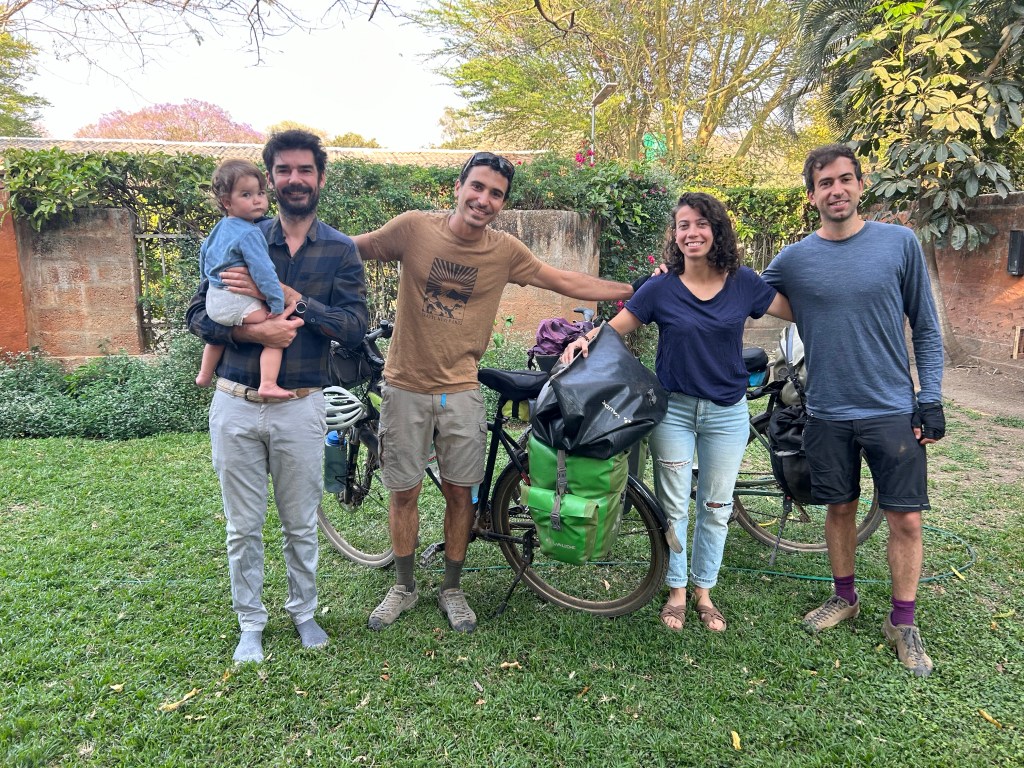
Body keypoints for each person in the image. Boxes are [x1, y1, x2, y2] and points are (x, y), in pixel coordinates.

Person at [353, 151, 635, 633]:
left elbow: (564, 280)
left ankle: (452, 588)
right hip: (404, 385)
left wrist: (636, 288)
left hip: (461, 389)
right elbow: (348, 249)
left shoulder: (504, 251)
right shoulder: (414, 228)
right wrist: (287, 256)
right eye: (478, 187)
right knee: (404, 492)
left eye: (496, 194)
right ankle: (402, 586)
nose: (484, 200)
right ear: (458, 186)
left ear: (503, 203)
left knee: (462, 495)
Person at [561, 192, 792, 633]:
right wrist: (582, 341)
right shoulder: (661, 287)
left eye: (701, 223)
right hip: (675, 412)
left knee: (717, 504)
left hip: (727, 413)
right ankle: (677, 591)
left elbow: (794, 307)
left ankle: (705, 590)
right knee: (673, 506)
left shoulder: (742, 282)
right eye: (683, 225)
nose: (692, 232)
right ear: (675, 234)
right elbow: (615, 329)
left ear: (716, 230)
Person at [762, 144, 945, 677]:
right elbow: (739, 293)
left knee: (904, 517)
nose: (836, 190)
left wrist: (929, 397)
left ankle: (903, 621)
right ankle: (845, 597)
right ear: (811, 194)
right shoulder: (794, 259)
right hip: (826, 410)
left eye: (845, 179)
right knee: (838, 509)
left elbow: (927, 329)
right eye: (825, 183)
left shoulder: (898, 243)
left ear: (860, 185)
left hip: (891, 408)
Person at [186, 130, 368, 663]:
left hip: (302, 406)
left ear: (320, 178)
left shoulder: (341, 250)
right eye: (284, 170)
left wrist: (295, 301)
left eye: (304, 170)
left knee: (300, 522)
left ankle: (304, 613)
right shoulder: (238, 234)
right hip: (236, 403)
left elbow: (354, 327)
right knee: (242, 527)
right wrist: (251, 333)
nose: (294, 179)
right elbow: (197, 314)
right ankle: (250, 624)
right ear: (270, 179)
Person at [195, 159, 294, 400]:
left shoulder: (218, 229)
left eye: (260, 193)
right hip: (237, 302)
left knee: (219, 335)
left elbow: (203, 257)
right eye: (246, 194)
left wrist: (207, 285)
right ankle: (268, 383)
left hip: (214, 301)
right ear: (227, 202)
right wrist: (276, 303)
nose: (257, 199)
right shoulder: (250, 233)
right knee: (276, 330)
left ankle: (205, 374)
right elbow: (264, 273)